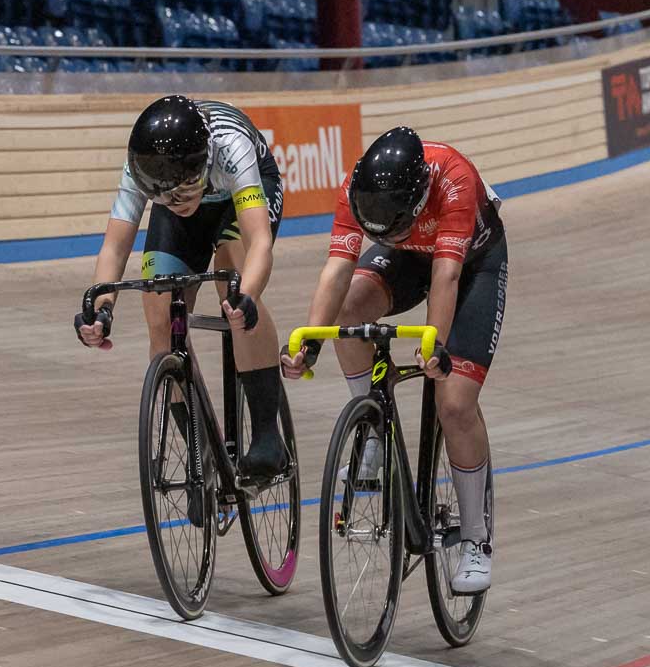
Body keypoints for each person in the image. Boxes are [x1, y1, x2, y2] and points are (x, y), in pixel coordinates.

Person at [280, 127, 507, 594]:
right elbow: (337, 269)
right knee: (349, 313)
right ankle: (372, 435)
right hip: (408, 256)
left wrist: (434, 346)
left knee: (454, 404)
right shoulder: (359, 188)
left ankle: (476, 538)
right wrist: (310, 341)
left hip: (472, 265)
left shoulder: (454, 180)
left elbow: (447, 276)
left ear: (419, 199)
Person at [76, 95, 288, 484]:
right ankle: (201, 453)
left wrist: (248, 295)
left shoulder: (231, 146)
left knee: (232, 281)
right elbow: (115, 247)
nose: (175, 202)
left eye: (182, 193)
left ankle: (266, 435)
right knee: (160, 316)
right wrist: (102, 308)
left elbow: (260, 242)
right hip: (187, 204)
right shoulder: (145, 168)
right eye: (165, 196)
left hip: (240, 196)